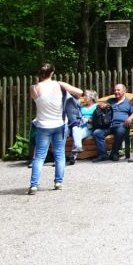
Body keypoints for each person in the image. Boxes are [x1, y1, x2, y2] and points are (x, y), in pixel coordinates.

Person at [28, 63, 83, 195]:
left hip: (42, 125)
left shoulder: (34, 88)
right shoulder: (59, 84)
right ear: (52, 73)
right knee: (59, 154)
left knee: (39, 156)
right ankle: (58, 182)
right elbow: (80, 92)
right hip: (59, 124)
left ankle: (34, 185)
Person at [90, 84, 133, 161]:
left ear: (124, 91)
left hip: (121, 125)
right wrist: (102, 106)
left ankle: (114, 153)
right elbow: (101, 108)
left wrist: (130, 118)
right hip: (107, 125)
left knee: (120, 131)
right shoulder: (110, 101)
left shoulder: (129, 102)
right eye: (114, 90)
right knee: (97, 133)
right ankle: (103, 155)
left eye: (118, 90)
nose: (116, 92)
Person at [66, 89, 99, 165]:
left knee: (78, 135)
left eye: (86, 96)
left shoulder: (96, 106)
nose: (84, 97)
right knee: (75, 129)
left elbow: (98, 118)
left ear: (91, 97)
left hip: (89, 126)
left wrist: (89, 120)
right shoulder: (81, 107)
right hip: (79, 125)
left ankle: (73, 156)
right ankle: (77, 149)